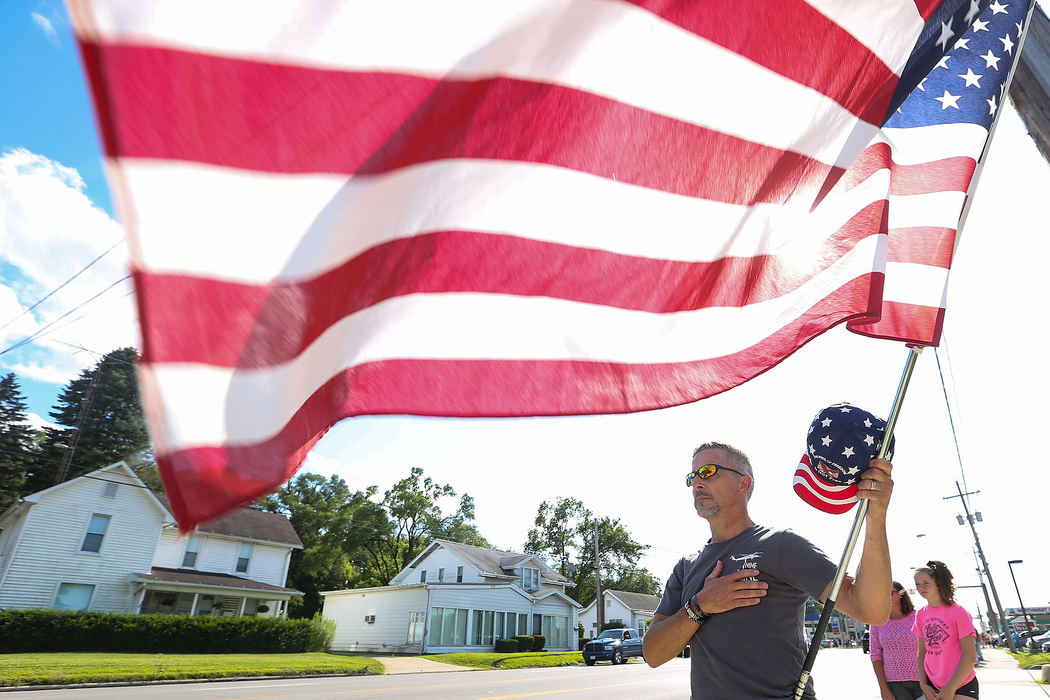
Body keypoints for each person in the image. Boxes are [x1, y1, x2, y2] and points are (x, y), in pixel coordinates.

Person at [643, 440, 894, 699]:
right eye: (692, 476)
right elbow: (653, 654)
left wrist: (876, 516)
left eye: (708, 472)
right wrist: (699, 606)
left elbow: (869, 610)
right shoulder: (686, 567)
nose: (697, 483)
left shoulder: (780, 545)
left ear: (744, 483)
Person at [913, 561, 979, 700]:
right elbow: (921, 654)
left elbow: (970, 656)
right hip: (932, 685)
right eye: (917, 584)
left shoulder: (958, 612)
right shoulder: (920, 614)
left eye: (926, 582)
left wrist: (950, 689)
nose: (921, 588)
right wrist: (923, 684)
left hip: (961, 684)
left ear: (938, 583)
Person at [869, 581, 922, 700]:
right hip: (894, 684)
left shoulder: (918, 616)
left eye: (889, 592)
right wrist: (883, 689)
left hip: (924, 680)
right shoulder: (877, 622)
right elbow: (876, 656)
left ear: (900, 594)